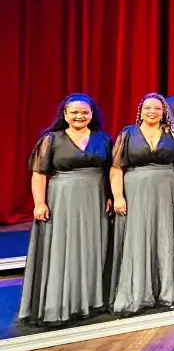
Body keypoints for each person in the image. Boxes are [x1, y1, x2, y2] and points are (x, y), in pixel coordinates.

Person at [19, 93, 113, 325]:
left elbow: (111, 170)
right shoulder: (51, 139)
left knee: (93, 247)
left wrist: (111, 196)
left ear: (92, 115)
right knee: (63, 248)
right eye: (74, 112)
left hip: (94, 200)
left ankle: (91, 301)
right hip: (62, 200)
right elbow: (39, 174)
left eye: (85, 112)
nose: (79, 116)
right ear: (65, 114)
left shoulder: (103, 138)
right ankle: (60, 303)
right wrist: (39, 203)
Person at [109, 93, 174, 315]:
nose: (152, 112)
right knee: (139, 236)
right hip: (136, 191)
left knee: (165, 235)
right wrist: (118, 196)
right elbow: (116, 168)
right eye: (147, 108)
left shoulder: (173, 134)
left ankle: (167, 289)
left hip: (167, 191)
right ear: (140, 110)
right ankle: (138, 290)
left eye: (157, 108)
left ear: (164, 111)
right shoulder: (128, 133)